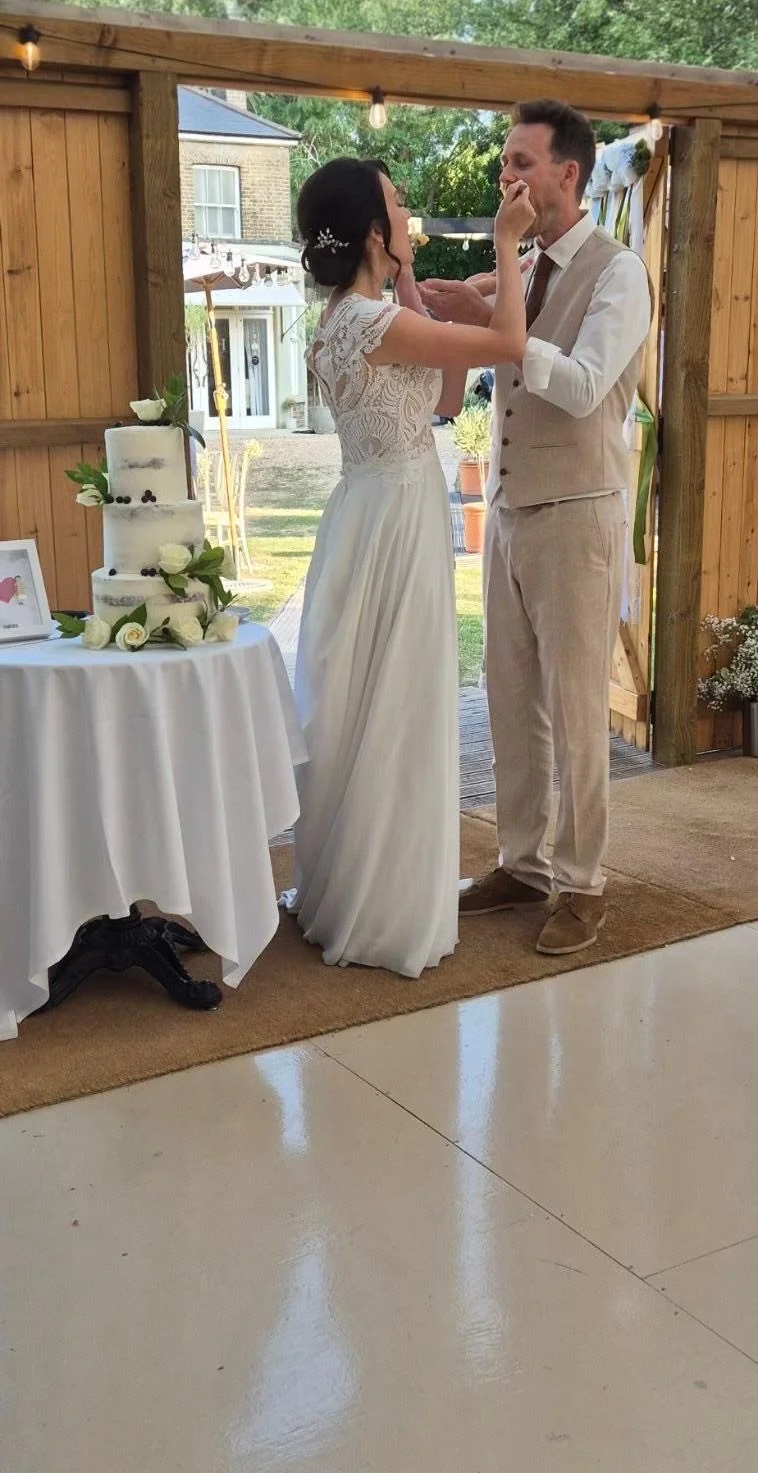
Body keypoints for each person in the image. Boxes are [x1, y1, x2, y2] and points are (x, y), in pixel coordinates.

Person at [280, 157, 535, 976]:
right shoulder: (374, 324)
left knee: (371, 698)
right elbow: (506, 344)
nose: (409, 210)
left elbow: (449, 396)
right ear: (368, 231)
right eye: (397, 204)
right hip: (393, 515)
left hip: (371, 511)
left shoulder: (352, 318)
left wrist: (414, 269)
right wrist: (504, 244)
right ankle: (384, 904)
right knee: (395, 698)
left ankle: (355, 881)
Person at [419, 100, 652, 957]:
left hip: (580, 513)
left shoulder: (618, 273)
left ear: (569, 174)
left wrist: (502, 318)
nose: (506, 178)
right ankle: (522, 863)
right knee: (510, 698)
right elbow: (501, 345)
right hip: (513, 512)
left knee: (575, 706)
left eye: (521, 162)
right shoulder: (520, 268)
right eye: (504, 163)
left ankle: (585, 883)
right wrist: (479, 303)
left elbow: (586, 383)